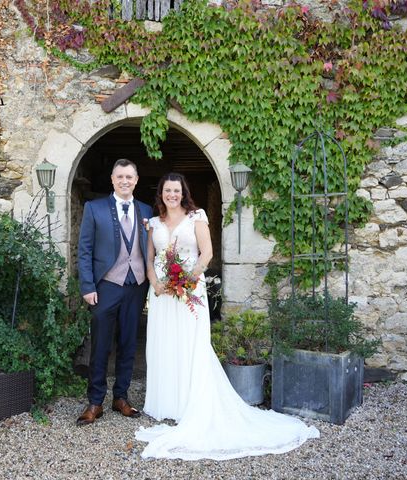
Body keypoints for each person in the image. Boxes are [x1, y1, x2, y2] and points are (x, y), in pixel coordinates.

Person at [136, 172, 319, 460]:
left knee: (190, 345)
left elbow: (206, 253)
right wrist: (156, 284)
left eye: (176, 190)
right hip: (161, 295)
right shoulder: (154, 223)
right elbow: (149, 257)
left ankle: (188, 405)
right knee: (164, 345)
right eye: (167, 190)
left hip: (188, 293)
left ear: (183, 193)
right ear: (160, 193)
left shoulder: (196, 216)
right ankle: (165, 405)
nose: (172, 195)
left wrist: (185, 281)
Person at [76, 159, 152, 426]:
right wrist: (87, 286)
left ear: (136, 179)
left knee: (129, 344)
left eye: (129, 176)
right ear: (112, 179)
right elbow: (84, 250)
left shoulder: (146, 210)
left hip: (136, 286)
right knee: (101, 346)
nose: (124, 181)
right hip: (106, 285)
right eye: (120, 176)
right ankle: (95, 401)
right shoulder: (94, 208)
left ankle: (121, 397)